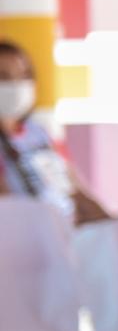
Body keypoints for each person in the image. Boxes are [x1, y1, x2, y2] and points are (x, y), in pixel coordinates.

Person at [0, 40, 110, 225]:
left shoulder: (39, 134)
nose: (16, 84)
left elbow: (73, 189)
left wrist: (110, 225)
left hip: (65, 236)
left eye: (24, 75)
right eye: (4, 77)